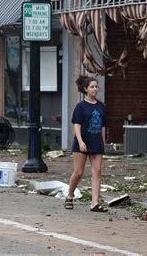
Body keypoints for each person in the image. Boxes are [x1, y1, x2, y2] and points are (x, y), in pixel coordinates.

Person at [65, 75, 108, 212]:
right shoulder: (80, 106)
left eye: (96, 86)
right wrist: (80, 141)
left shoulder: (101, 106)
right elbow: (76, 126)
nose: (95, 89)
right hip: (82, 142)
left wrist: (103, 142)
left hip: (96, 142)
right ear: (86, 89)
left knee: (97, 171)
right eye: (92, 87)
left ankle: (94, 203)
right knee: (78, 172)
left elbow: (103, 126)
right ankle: (70, 196)